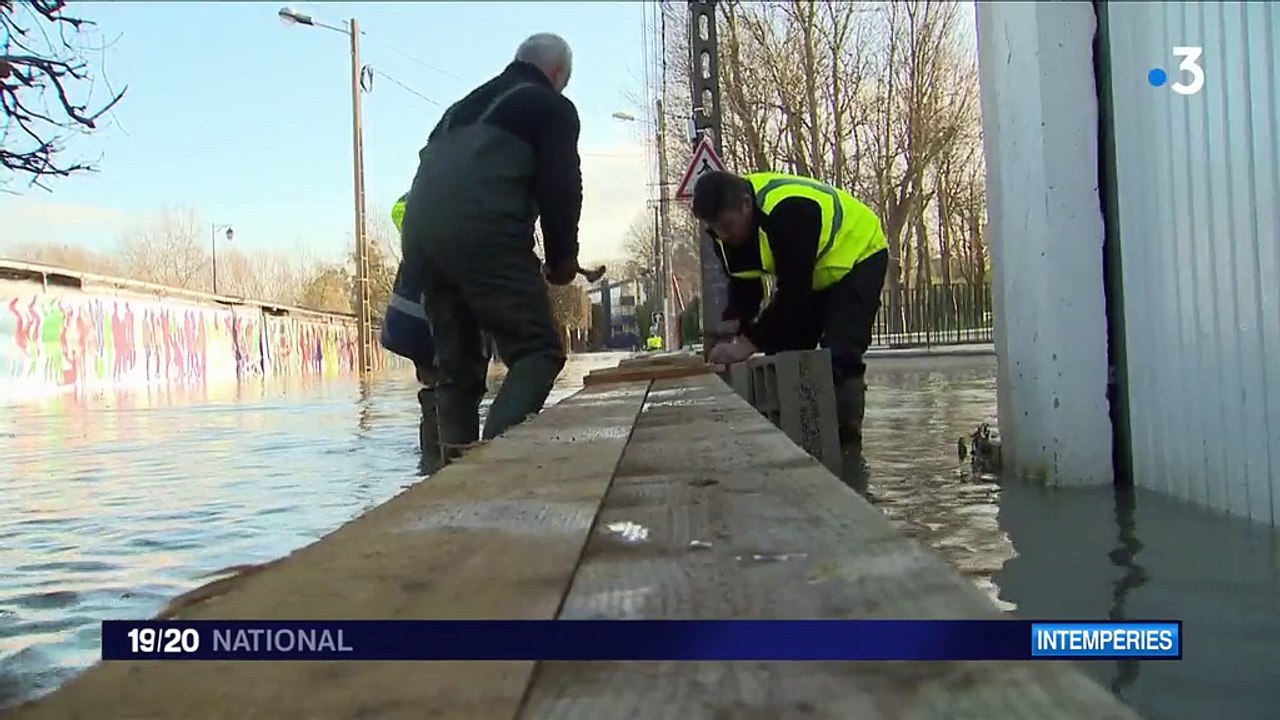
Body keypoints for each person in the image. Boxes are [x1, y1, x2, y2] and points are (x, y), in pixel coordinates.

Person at [398, 32, 582, 458]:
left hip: (421, 243)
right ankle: (493, 466)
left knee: (458, 372)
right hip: (483, 234)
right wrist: (561, 260)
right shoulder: (551, 107)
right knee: (538, 351)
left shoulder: (458, 109)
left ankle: (449, 476)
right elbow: (561, 187)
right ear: (556, 74)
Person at [692, 170, 889, 489]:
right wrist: (732, 325)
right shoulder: (723, 236)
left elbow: (793, 295)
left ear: (746, 204)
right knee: (785, 352)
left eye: (727, 227)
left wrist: (747, 343)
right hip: (815, 274)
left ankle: (848, 451)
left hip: (858, 255)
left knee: (839, 352)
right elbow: (746, 289)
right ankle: (799, 434)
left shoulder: (788, 210)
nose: (723, 236)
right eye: (714, 230)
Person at [381, 193, 448, 467]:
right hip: (425, 322)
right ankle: (437, 457)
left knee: (434, 383)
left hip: (406, 324)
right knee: (446, 382)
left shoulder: (414, 241)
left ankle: (433, 457)